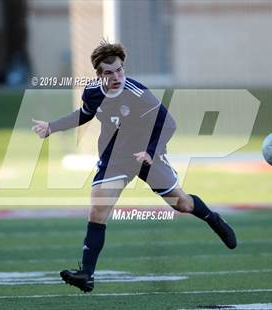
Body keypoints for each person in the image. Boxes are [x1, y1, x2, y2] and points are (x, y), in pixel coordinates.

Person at [32, 41, 236, 293]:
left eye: (119, 70)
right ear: (99, 74)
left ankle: (213, 219)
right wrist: (52, 127)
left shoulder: (138, 93)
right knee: (97, 210)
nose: (116, 76)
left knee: (182, 204)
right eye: (109, 72)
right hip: (115, 157)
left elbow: (168, 124)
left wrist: (150, 151)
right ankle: (87, 274)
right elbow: (85, 114)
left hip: (146, 154)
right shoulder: (93, 91)